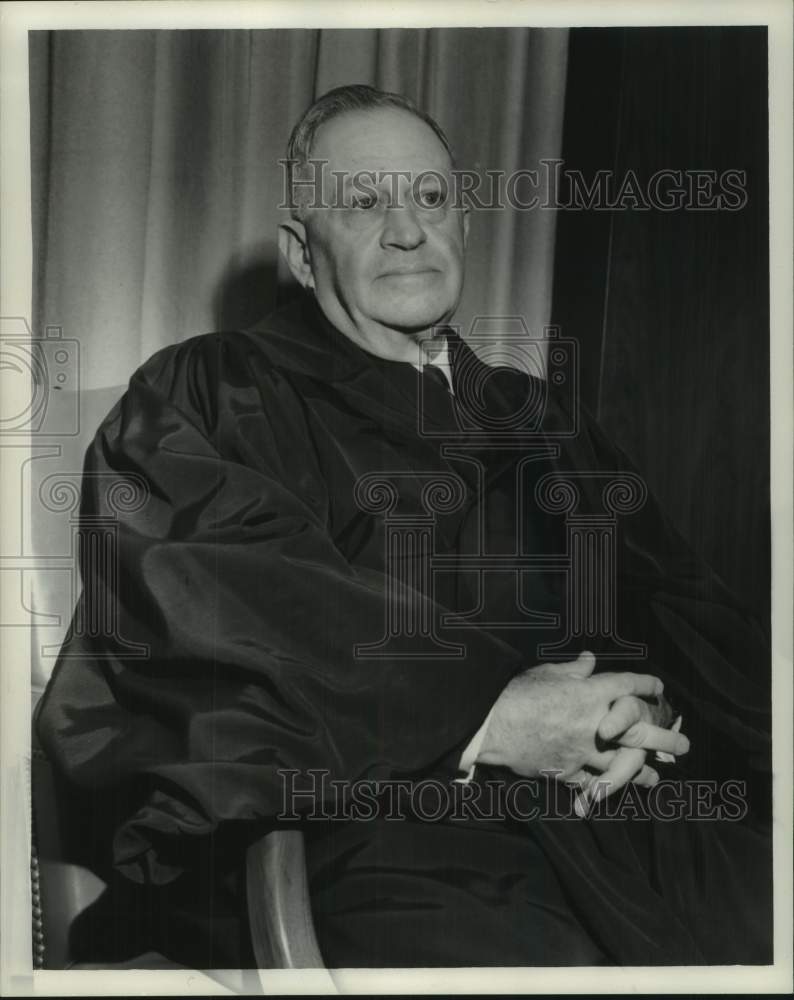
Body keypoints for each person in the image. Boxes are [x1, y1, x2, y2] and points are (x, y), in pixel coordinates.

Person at [36, 84, 772, 969]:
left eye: (430, 198)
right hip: (364, 826)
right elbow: (215, 599)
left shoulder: (542, 422)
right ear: (302, 256)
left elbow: (684, 614)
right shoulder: (213, 390)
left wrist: (647, 704)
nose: (406, 229)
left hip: (617, 815)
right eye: (362, 203)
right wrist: (489, 715)